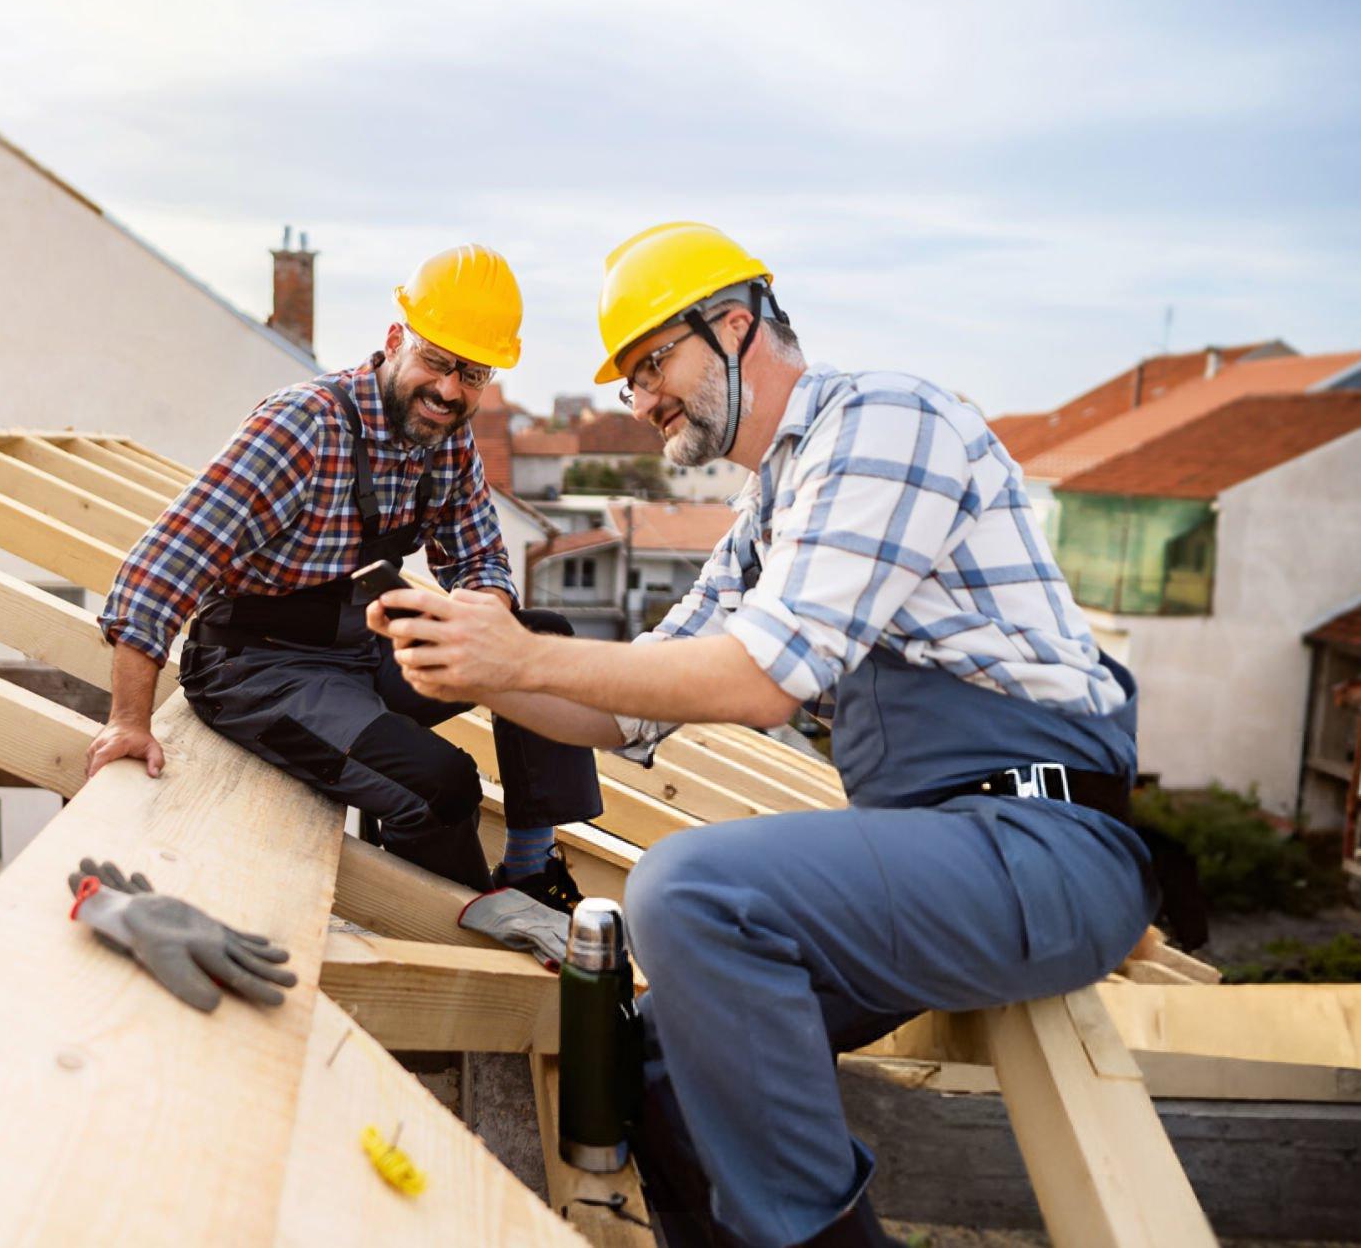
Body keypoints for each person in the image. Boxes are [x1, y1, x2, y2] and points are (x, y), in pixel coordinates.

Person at [370, 223, 1162, 1247]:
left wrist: (519, 657)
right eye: (630, 381)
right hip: (946, 858)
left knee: (688, 892)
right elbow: (629, 706)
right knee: (657, 1058)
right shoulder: (775, 507)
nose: (643, 397)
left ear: (735, 325)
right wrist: (476, 668)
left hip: (1042, 848)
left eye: (653, 361)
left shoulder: (886, 421)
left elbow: (758, 682)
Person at [90, 244, 603, 911]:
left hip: (360, 653)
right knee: (441, 784)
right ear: (396, 341)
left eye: (471, 374)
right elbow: (161, 568)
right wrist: (129, 720)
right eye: (437, 362)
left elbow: (479, 559)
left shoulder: (445, 437)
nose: (450, 390)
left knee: (544, 642)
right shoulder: (302, 427)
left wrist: (487, 622)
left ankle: (529, 871)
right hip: (258, 671)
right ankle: (470, 921)